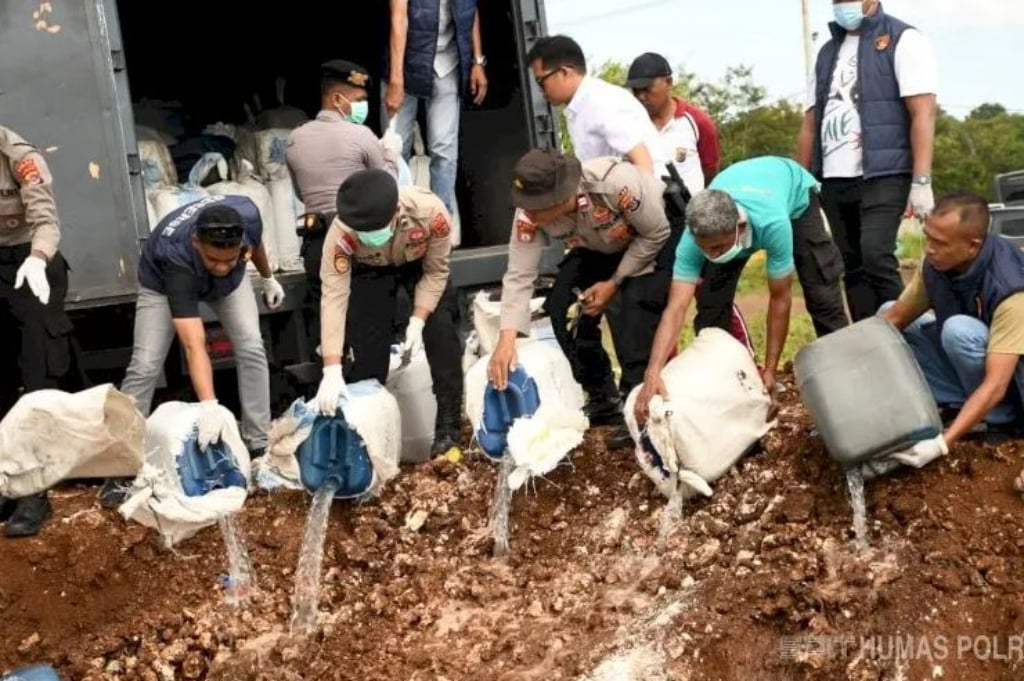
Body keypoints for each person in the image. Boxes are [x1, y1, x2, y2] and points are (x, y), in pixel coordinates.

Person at [633, 156, 850, 422]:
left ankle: (847, 381)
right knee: (712, 308)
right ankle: (724, 389)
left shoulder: (773, 223)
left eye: (717, 248)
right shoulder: (695, 238)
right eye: (704, 248)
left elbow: (780, 298)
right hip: (737, 199)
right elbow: (676, 307)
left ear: (740, 228)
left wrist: (771, 370)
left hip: (793, 196)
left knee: (821, 294)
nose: (710, 255)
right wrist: (653, 371)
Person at [100, 195, 284, 508]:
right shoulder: (177, 258)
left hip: (229, 289)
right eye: (215, 259)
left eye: (231, 258)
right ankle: (121, 466)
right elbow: (194, 343)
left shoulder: (247, 216)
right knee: (144, 366)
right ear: (197, 242)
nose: (223, 266)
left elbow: (256, 244)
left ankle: (258, 446)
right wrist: (209, 405)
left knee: (252, 346)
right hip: (161, 284)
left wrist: (267, 278)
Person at [488, 149, 673, 447]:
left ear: (562, 199)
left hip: (651, 240)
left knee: (633, 309)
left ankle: (641, 407)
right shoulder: (528, 213)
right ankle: (603, 397)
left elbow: (656, 232)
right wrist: (507, 338)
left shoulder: (616, 185)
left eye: (536, 208)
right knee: (562, 307)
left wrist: (613, 283)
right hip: (599, 248)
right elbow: (519, 273)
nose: (528, 214)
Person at [797, 0, 938, 321]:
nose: (842, 5)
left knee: (876, 256)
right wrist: (801, 180)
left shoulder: (903, 39)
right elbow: (809, 121)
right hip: (833, 177)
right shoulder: (827, 51)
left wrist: (922, 179)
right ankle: (869, 344)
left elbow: (923, 113)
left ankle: (909, 340)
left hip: (884, 172)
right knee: (853, 266)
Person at [873, 191, 1024, 473]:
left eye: (939, 243)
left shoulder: (1010, 288)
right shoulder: (936, 265)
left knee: (958, 331)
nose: (929, 249)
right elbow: (895, 318)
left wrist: (942, 443)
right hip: (975, 370)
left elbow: (997, 384)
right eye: (928, 236)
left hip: (1012, 387)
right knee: (886, 314)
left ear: (971, 246)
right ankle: (956, 405)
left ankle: (1001, 421)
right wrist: (845, 368)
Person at [315, 169, 463, 455]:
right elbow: (333, 297)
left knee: (441, 332)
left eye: (376, 230)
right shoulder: (341, 234)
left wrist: (418, 320)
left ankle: (448, 427)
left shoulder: (430, 212)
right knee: (369, 352)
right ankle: (371, 441)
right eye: (365, 234)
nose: (372, 237)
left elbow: (436, 272)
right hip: (369, 271)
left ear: (396, 211)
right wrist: (331, 368)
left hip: (419, 267)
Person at [287, 60, 401, 355]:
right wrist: (390, 154)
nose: (363, 106)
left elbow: (300, 193)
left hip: (315, 245)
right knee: (370, 338)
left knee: (330, 336)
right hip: (358, 242)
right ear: (337, 100)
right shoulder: (361, 135)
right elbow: (385, 189)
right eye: (359, 100)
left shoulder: (295, 139)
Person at [0, 124, 77, 537]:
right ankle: (7, 481)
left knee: (36, 376)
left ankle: (35, 493)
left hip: (31, 265)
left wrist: (37, 257)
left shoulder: (20, 156)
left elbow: (46, 220)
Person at [383, 0, 488, 214]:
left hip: (448, 64)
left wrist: (478, 61)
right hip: (406, 64)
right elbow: (398, 17)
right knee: (394, 150)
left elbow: (470, 11)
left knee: (444, 149)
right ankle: (398, 218)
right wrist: (395, 79)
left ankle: (440, 221)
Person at [526, 35, 659, 174]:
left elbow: (644, 164)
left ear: (564, 73)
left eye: (540, 81)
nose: (540, 90)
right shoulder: (580, 106)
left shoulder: (602, 102)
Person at [625, 51, 721, 193]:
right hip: (647, 212)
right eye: (636, 90)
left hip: (690, 212)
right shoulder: (629, 126)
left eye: (646, 88)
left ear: (669, 82)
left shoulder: (698, 122)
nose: (641, 96)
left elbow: (710, 170)